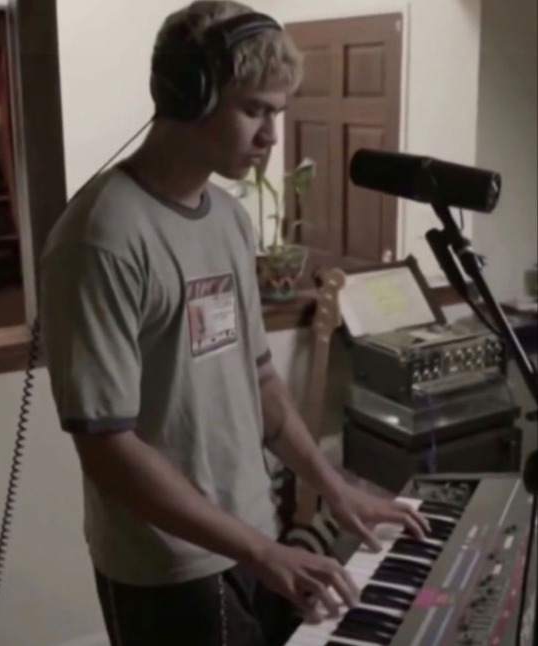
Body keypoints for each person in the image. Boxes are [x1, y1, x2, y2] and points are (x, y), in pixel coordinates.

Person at [40, 2, 429, 645]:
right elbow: (107, 448)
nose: (272, 134)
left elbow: (261, 381)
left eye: (277, 112)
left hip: (252, 536)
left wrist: (333, 488)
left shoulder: (227, 219)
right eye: (254, 110)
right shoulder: (101, 238)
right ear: (188, 95)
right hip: (167, 567)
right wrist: (258, 549)